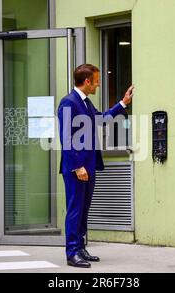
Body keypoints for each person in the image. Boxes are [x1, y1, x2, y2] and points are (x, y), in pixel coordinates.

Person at [57, 64, 134, 268]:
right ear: (87, 81)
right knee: (75, 209)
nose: (99, 84)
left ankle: (80, 248)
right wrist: (76, 166)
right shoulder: (68, 102)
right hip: (77, 168)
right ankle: (72, 252)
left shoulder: (85, 103)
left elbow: (100, 121)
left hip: (89, 165)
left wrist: (122, 103)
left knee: (83, 209)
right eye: (97, 80)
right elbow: (65, 138)